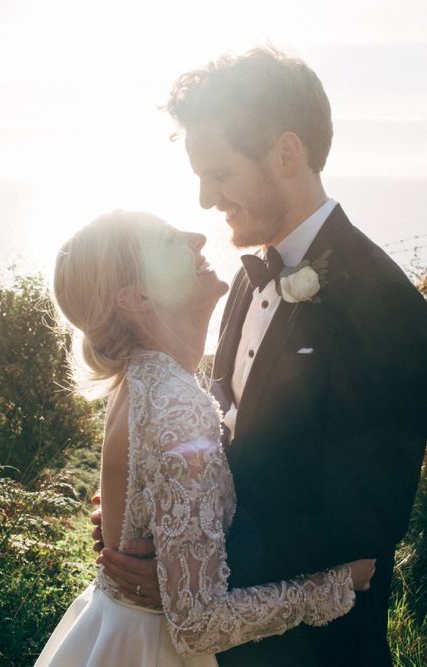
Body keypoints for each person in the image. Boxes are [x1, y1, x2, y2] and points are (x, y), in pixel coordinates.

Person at [94, 47, 427, 666]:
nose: (203, 199)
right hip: (231, 643)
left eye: (219, 173)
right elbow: (230, 434)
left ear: (285, 154)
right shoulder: (247, 277)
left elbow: (365, 519)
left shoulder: (389, 307)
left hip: (320, 650)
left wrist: (188, 569)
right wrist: (156, 516)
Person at [35, 210, 375, 666]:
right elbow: (198, 624)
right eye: (167, 240)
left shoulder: (145, 380)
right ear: (135, 297)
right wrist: (336, 585)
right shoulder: (175, 405)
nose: (197, 237)